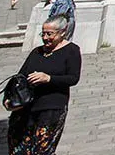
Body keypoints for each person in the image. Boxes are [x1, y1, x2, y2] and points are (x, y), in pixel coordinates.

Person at [8, 14, 82, 155]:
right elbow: (20, 76)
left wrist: (49, 78)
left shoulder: (71, 51)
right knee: (19, 149)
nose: (46, 37)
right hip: (26, 108)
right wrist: (10, 98)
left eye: (50, 34)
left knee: (42, 149)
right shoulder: (37, 52)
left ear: (62, 32)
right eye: (44, 33)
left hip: (51, 107)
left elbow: (73, 78)